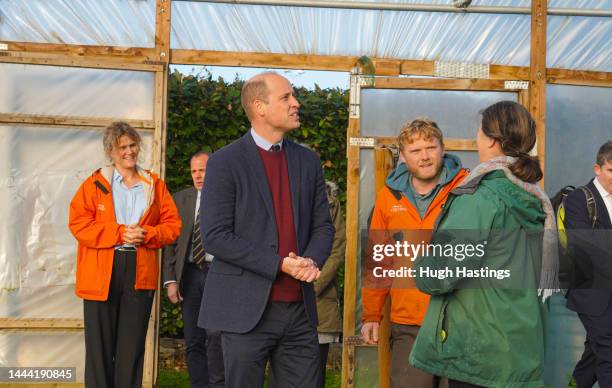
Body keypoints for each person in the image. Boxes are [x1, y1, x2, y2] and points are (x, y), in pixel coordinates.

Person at [198, 71, 335, 387]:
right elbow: (216, 235)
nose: (295, 103)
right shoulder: (224, 162)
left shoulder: (308, 161)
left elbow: (323, 227)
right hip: (243, 310)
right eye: (286, 97)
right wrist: (279, 264)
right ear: (259, 107)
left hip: (299, 310)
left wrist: (311, 261)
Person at [409, 101, 556, 387]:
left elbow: (440, 274)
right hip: (522, 348)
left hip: (481, 353)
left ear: (491, 139)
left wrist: (420, 262)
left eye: (479, 132)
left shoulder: (480, 199)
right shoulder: (534, 198)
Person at [69, 121, 181, 388]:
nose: (129, 151)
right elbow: (79, 225)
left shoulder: (154, 184)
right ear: (110, 152)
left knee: (131, 351)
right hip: (100, 273)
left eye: (132, 145)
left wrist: (148, 235)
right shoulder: (94, 184)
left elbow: (173, 226)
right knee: (99, 351)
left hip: (140, 271)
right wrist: (119, 233)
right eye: (122, 147)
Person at [361, 118, 468, 388]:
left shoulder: (467, 189)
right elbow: (378, 258)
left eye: (430, 148)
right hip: (408, 321)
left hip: (459, 319)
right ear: (404, 157)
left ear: (443, 149)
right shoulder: (389, 197)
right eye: (415, 151)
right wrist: (371, 315)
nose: (424, 157)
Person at [162, 151, 224, 388]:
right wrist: (170, 281)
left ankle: (218, 384)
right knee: (193, 338)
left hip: (217, 274)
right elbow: (170, 243)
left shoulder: (226, 198)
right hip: (189, 275)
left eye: (203, 170)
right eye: (194, 171)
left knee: (215, 334)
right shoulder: (181, 199)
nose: (198, 176)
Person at [566, 140, 612, 388]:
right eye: (611, 170)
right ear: (598, 168)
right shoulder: (578, 199)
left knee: (593, 356)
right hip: (591, 293)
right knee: (609, 352)